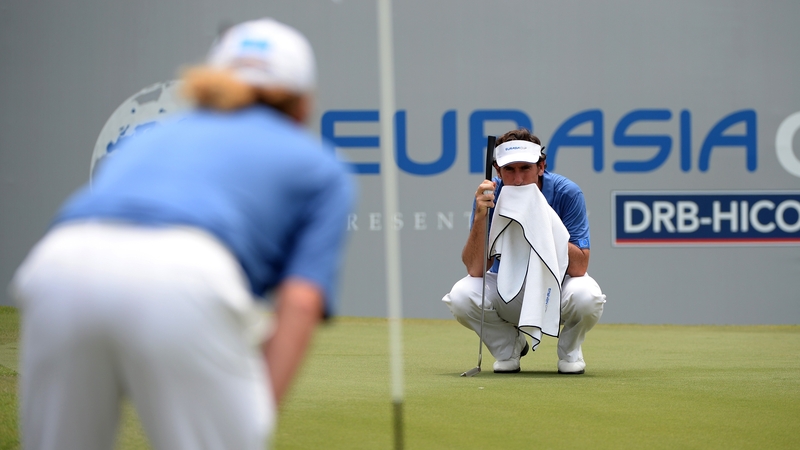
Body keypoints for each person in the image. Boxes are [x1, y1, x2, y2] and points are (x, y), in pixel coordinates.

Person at [10, 18, 355, 450]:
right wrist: (250, 422)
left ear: (210, 84)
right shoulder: (321, 166)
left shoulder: (151, 137)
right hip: (185, 276)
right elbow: (301, 300)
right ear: (303, 103)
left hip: (58, 268)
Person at [442, 128, 606, 374]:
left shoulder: (567, 192)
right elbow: (476, 270)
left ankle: (570, 351)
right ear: (498, 171)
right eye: (509, 170)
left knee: (588, 297)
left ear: (541, 166)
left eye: (525, 168)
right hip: (508, 293)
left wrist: (538, 220)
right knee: (461, 296)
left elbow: (580, 266)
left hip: (556, 289)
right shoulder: (489, 196)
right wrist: (479, 217)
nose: (518, 179)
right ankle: (509, 348)